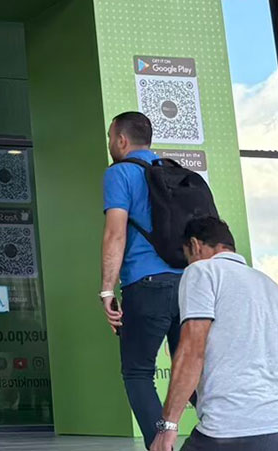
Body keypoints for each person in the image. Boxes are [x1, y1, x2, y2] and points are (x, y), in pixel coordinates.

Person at [150, 217, 278, 451]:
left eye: (187, 256)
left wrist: (167, 426)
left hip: (231, 429)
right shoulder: (272, 287)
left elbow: (192, 351)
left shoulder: (202, 271)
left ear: (195, 245)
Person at [100, 111, 184, 449]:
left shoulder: (120, 173)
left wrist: (107, 289)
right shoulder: (174, 172)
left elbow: (115, 234)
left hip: (146, 284)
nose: (110, 143)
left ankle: (160, 446)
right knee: (189, 370)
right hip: (188, 284)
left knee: (138, 372)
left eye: (110, 137)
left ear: (121, 140)